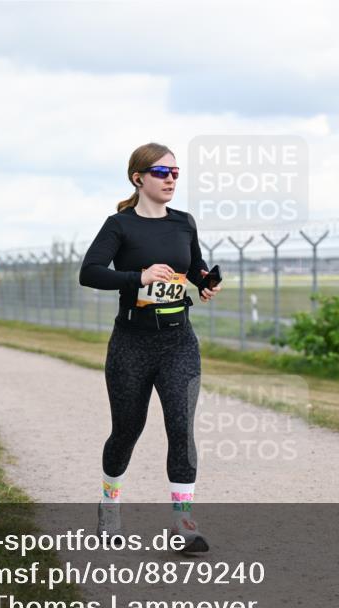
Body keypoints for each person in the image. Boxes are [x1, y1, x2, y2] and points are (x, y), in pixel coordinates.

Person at [79, 142, 222, 553]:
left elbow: (192, 266)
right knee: (127, 430)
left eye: (176, 173)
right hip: (131, 342)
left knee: (181, 429)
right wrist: (137, 278)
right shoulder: (119, 225)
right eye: (163, 173)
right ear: (138, 178)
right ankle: (110, 507)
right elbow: (90, 273)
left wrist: (204, 282)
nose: (172, 179)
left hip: (179, 341)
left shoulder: (184, 222)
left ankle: (184, 525)